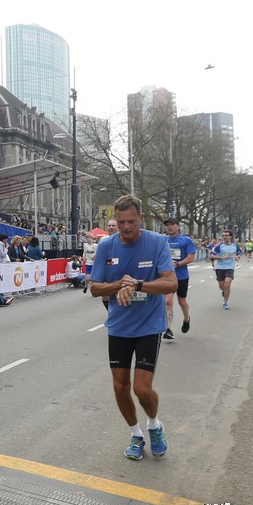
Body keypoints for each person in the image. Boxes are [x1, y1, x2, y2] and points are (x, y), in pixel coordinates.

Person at [88, 196, 177, 461]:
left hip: (149, 325)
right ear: (114, 219)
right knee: (120, 386)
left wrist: (137, 285)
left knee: (142, 389)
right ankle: (136, 435)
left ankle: (154, 425)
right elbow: (95, 288)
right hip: (119, 326)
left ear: (141, 218)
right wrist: (118, 285)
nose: (126, 227)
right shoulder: (106, 246)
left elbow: (171, 283)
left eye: (131, 221)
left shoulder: (157, 242)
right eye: (121, 222)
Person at [161, 217, 197, 339]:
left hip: (181, 276)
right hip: (168, 276)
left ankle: (186, 318)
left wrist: (178, 264)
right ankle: (168, 329)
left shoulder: (186, 240)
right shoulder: (163, 240)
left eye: (172, 224)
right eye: (167, 225)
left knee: (182, 302)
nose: (169, 227)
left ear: (178, 226)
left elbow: (191, 257)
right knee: (167, 301)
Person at [209, 229, 241, 310]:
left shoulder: (235, 246)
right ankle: (224, 291)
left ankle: (225, 302)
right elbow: (212, 256)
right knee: (221, 286)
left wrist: (237, 257)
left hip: (230, 267)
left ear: (230, 236)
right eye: (223, 235)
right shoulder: (219, 246)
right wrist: (221, 257)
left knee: (227, 283)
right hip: (219, 267)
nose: (224, 237)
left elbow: (238, 254)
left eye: (226, 235)